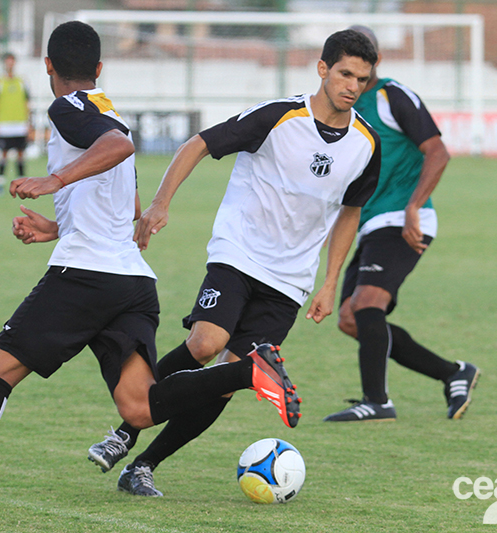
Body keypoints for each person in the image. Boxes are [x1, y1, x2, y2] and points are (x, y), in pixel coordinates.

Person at [0, 21, 296, 516]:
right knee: (139, 407)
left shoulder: (68, 106)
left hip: (85, 277)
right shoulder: (107, 108)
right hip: (131, 281)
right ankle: (248, 372)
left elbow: (118, 146)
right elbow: (129, 203)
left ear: (47, 66)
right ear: (99, 69)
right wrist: (57, 228)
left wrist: (54, 180)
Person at [87, 29, 381, 497]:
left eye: (362, 79)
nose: (353, 85)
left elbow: (351, 210)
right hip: (240, 252)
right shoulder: (279, 117)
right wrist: (161, 203)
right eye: (345, 73)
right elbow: (198, 143)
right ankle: (127, 427)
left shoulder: (366, 143)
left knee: (228, 379)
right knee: (206, 342)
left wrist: (330, 282)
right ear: (323, 69)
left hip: (290, 279)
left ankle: (143, 465)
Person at [322, 26, 480, 424]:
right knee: (349, 318)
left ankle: (376, 402)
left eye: (366, 61)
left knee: (367, 304)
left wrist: (413, 206)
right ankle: (452, 373)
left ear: (376, 61)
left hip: (405, 220)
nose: (358, 73)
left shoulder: (392, 95)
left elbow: (438, 152)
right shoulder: (345, 106)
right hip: (372, 223)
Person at [0, 52, 32, 196]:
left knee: (21, 155)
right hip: (4, 125)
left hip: (20, 124)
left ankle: (22, 184)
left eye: (12, 62)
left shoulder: (22, 81)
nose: (10, 64)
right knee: (3, 155)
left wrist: (29, 122)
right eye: (8, 62)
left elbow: (27, 103)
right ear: (4, 64)